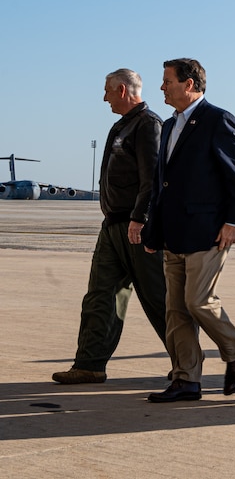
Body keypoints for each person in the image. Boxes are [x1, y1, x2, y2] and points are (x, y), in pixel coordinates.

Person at [142, 58, 235, 402]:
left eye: (167, 81)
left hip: (208, 230)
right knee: (175, 310)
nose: (162, 87)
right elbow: (163, 185)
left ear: (189, 84)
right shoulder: (169, 126)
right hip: (173, 232)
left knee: (197, 300)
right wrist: (152, 230)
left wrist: (233, 221)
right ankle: (186, 379)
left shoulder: (217, 120)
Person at [53, 69, 167, 385]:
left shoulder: (147, 125)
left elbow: (153, 179)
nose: (104, 97)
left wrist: (140, 219)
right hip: (113, 226)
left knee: (158, 298)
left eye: (106, 91)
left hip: (138, 227)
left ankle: (187, 363)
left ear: (120, 89)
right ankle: (89, 365)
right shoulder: (122, 126)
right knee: (100, 296)